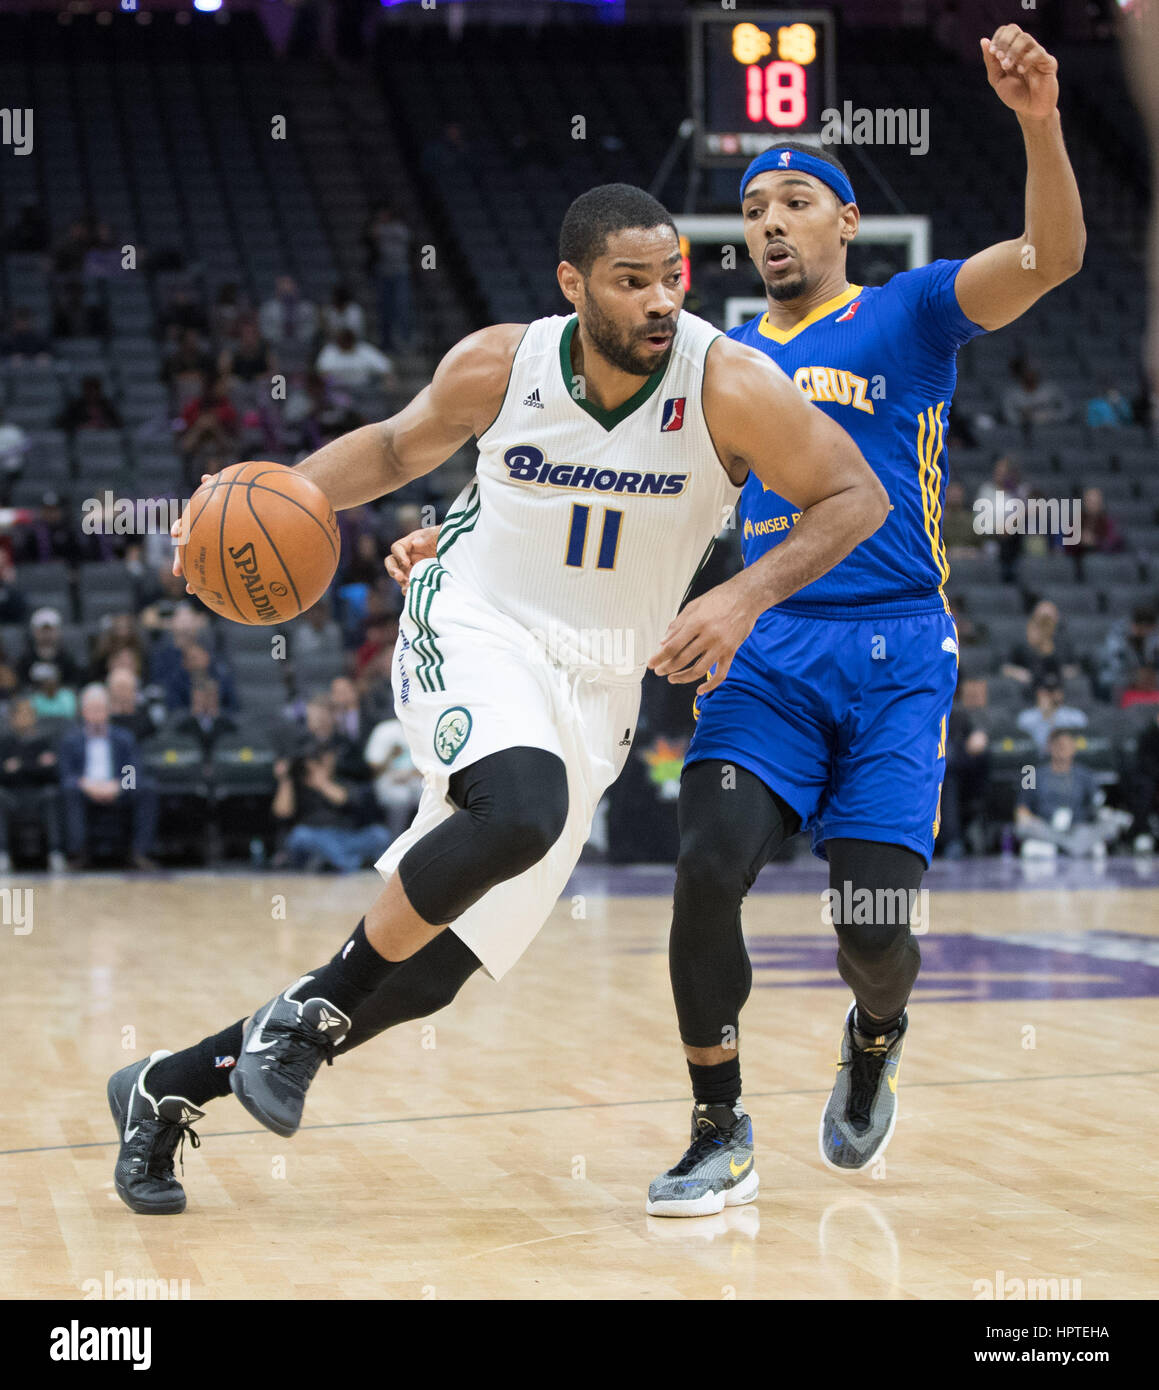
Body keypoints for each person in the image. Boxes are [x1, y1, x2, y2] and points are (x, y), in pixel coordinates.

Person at [105, 180, 887, 1215]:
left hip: (595, 685)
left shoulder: (726, 382)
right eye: (631, 280)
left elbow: (855, 497)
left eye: (672, 278)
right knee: (520, 808)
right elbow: (391, 449)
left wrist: (742, 596)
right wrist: (265, 502)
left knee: (431, 969)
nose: (660, 299)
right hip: (473, 618)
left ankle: (166, 1085)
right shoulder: (500, 363)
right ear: (573, 284)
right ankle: (307, 1016)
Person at [629, 22, 1082, 1212]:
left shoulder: (910, 312)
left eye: (795, 200)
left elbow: (1049, 257)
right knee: (705, 867)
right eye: (753, 207)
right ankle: (717, 1125)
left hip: (894, 651)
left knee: (870, 925)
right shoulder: (711, 360)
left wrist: (1035, 121)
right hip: (767, 650)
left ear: (844, 223)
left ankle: (873, 1037)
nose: (770, 221)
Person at [273, 697, 388, 873]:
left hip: (346, 833)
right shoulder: (298, 763)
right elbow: (282, 812)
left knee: (379, 835)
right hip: (314, 832)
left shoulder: (346, 760)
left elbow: (346, 800)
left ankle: (332, 861)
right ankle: (349, 864)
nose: (321, 759)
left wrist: (322, 783)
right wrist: (284, 779)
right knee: (301, 836)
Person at [58, 683, 157, 870]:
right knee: (69, 790)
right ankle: (77, 854)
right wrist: (86, 784)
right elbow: (66, 774)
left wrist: (118, 786)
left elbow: (133, 770)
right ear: (83, 712)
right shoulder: (71, 740)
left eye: (100, 709)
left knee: (147, 789)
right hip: (84, 789)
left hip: (118, 788)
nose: (96, 715)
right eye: (92, 710)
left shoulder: (124, 738)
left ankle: (140, 853)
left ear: (108, 711)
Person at [1015, 727, 1115, 858]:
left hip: (1077, 828)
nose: (1062, 749)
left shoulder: (1087, 774)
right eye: (1058, 745)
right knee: (1023, 826)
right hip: (1045, 827)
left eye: (1067, 745)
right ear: (1049, 747)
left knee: (1113, 823)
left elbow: (1098, 805)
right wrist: (1030, 819)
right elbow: (1021, 809)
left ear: (1074, 747)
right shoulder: (1031, 773)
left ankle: (1062, 846)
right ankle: (1074, 847)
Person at [0, 695, 65, 874]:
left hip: (39, 793)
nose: (25, 718)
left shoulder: (44, 741)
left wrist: (19, 766)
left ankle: (55, 853)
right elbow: (3, 775)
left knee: (51, 795)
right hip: (11, 795)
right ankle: (2, 853)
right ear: (12, 718)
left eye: (29, 714)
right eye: (20, 714)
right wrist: (35, 765)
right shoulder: (4, 742)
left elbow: (52, 773)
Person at [1000, 599, 1079, 690]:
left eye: (1049, 618)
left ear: (1057, 619)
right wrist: (1018, 673)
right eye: (1043, 618)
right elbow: (1005, 668)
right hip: (1028, 689)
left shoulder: (1064, 642)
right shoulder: (1021, 642)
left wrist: (1064, 673)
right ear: (1034, 618)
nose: (1046, 623)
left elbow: (1075, 667)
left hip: (1058, 689)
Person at [1096, 605, 1159, 702]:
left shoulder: (1150, 638)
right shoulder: (1116, 638)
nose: (1148, 634)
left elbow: (1151, 663)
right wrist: (1134, 677)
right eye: (1145, 630)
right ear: (1137, 626)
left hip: (1140, 683)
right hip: (1113, 683)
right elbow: (1112, 669)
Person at [1016, 672, 1088, 751]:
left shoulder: (1075, 717)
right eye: (1047, 691)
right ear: (1038, 693)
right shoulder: (1026, 717)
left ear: (1061, 693)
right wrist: (1045, 715)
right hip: (1036, 760)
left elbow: (1081, 745)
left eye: (1054, 691)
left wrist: (1051, 715)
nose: (1051, 695)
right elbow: (1024, 747)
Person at [315, 326, 394, 394]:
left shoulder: (365, 350)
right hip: (337, 391)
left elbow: (386, 367)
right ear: (338, 340)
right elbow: (321, 371)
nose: (345, 342)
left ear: (353, 339)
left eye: (347, 339)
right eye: (343, 340)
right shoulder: (330, 351)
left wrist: (388, 380)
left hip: (363, 390)